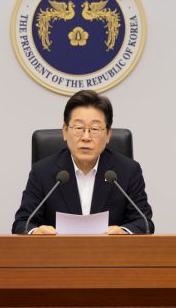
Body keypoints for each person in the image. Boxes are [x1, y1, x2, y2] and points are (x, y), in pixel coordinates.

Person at [12, 90, 154, 235]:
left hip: (110, 249)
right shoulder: (42, 172)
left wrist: (123, 232)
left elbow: (143, 222)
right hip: (58, 250)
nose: (86, 137)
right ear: (65, 131)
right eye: (79, 128)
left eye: (94, 129)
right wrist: (36, 232)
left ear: (108, 135)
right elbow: (22, 223)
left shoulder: (128, 171)